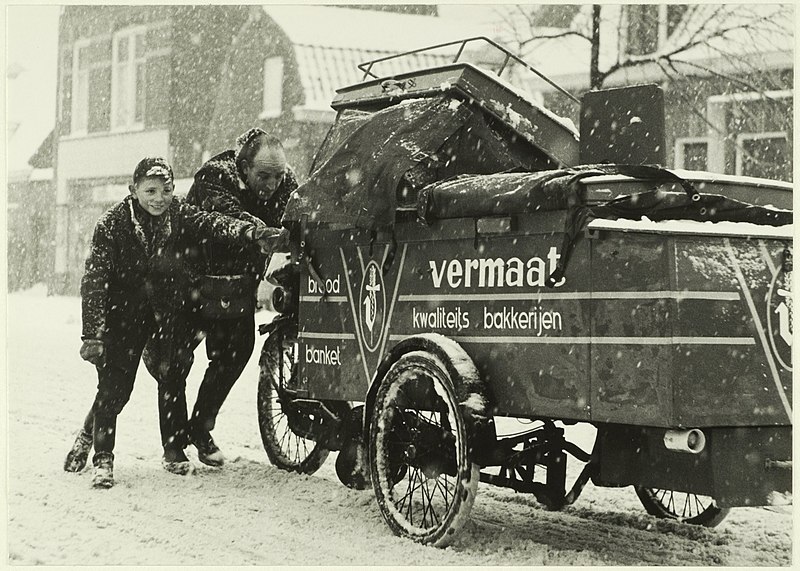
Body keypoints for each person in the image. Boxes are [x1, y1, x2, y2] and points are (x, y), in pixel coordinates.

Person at [63, 157, 280, 488]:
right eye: (150, 190)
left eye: (166, 190)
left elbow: (212, 223)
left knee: (173, 373)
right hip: (123, 316)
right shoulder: (112, 225)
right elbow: (94, 279)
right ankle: (99, 454)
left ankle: (174, 450)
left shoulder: (179, 213)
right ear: (133, 190)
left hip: (167, 312)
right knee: (116, 387)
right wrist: (92, 333)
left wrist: (250, 232)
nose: (158, 198)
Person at [144, 128, 296, 468]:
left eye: (278, 176)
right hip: (186, 283)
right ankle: (173, 446)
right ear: (243, 168)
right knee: (175, 363)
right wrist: (258, 233)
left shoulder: (286, 183)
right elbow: (223, 219)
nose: (272, 184)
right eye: (263, 176)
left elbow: (301, 211)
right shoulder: (215, 176)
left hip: (235, 288)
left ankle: (199, 427)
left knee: (236, 353)